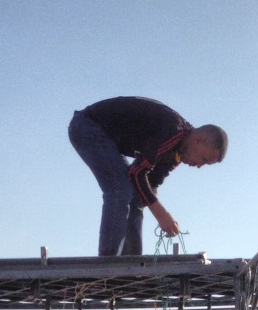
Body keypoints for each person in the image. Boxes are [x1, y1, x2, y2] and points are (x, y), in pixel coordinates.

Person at [68, 96, 228, 257]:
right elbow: (137, 173)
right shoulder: (172, 132)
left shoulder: (176, 154)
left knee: (137, 196)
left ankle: (131, 264)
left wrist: (156, 205)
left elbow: (148, 185)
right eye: (204, 160)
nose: (200, 166)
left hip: (106, 137)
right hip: (88, 125)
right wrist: (162, 215)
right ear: (199, 140)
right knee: (120, 188)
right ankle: (108, 262)